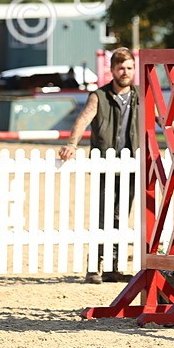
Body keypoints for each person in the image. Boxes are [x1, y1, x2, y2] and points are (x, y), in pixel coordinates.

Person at [59, 48, 139, 283]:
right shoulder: (99, 96)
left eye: (129, 68)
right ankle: (94, 267)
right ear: (112, 70)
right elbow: (83, 119)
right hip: (105, 163)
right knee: (103, 216)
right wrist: (72, 144)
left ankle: (113, 267)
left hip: (131, 165)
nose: (125, 72)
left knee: (121, 216)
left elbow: (161, 120)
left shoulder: (141, 96)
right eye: (121, 68)